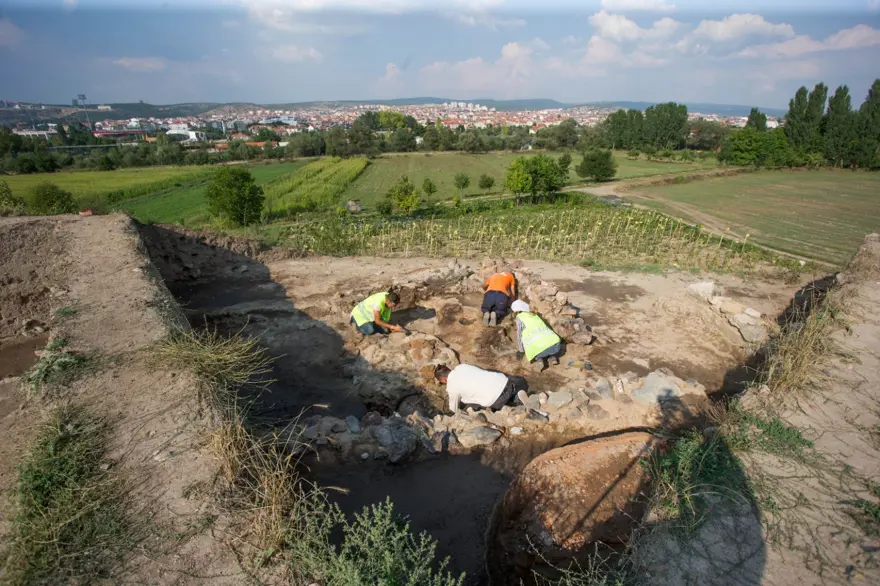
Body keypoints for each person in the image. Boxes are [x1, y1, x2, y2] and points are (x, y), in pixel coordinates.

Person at [434, 364, 519, 414]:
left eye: (443, 382)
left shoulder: (451, 387)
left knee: (470, 405)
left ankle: (497, 408)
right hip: (506, 382)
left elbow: (454, 409)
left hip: (497, 399)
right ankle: (515, 395)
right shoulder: (462, 366)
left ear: (444, 380)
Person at [511, 300, 562, 372]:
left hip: (540, 349)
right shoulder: (534, 314)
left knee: (534, 347)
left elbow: (519, 334)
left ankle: (539, 361)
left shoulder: (519, 317)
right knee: (547, 344)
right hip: (556, 345)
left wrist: (521, 350)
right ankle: (553, 358)